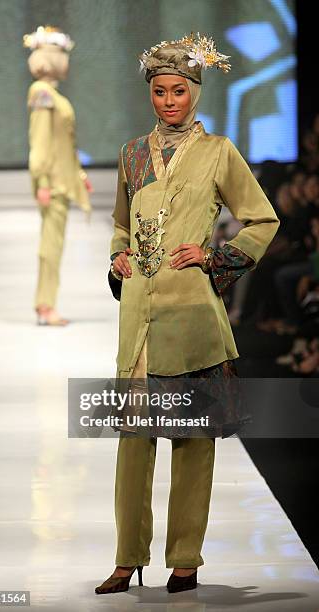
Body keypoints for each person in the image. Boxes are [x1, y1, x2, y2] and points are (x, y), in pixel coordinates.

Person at [96, 33, 280, 595]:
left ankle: (185, 559)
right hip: (141, 318)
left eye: (178, 90)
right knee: (134, 440)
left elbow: (262, 220)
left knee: (193, 442)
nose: (169, 100)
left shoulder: (219, 151)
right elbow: (121, 223)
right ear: (149, 94)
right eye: (159, 91)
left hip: (194, 312)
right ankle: (127, 560)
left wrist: (214, 255)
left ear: (194, 92)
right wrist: (117, 255)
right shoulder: (132, 154)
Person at [23, 26, 92, 326]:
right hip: (53, 183)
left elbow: (64, 142)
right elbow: (40, 141)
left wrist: (78, 172)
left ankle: (45, 303)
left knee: (54, 244)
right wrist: (42, 182)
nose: (67, 61)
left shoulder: (49, 93)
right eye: (63, 55)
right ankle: (45, 305)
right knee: (50, 245)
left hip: (62, 180)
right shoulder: (42, 93)